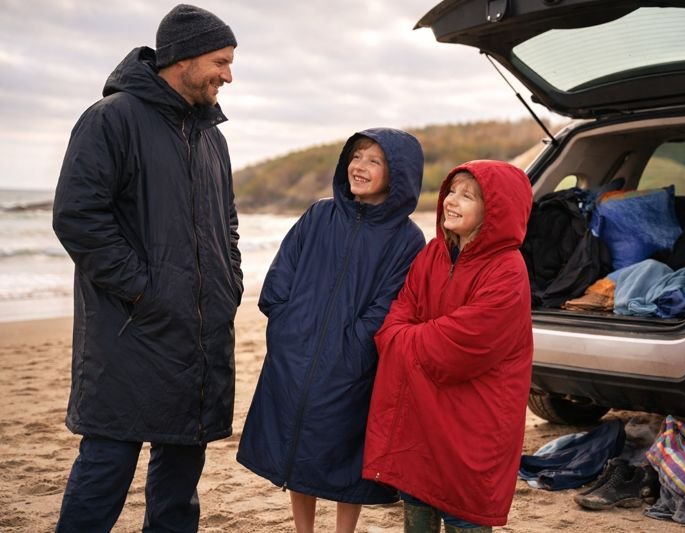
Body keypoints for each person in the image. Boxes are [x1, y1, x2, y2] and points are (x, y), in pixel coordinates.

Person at [51, 4, 241, 531]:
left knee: (181, 475)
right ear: (183, 57)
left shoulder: (212, 138)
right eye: (221, 61)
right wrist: (145, 290)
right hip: (129, 330)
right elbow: (78, 218)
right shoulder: (111, 119)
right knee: (107, 464)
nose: (228, 74)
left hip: (199, 332)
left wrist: (228, 284)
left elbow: (226, 224)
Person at [237, 128, 426, 533]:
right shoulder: (319, 214)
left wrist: (356, 345)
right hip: (294, 352)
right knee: (294, 445)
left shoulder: (407, 238)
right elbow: (280, 275)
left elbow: (392, 302)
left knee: (342, 454)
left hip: (353, 364)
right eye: (357, 156)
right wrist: (285, 323)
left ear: (399, 174)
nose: (360, 167)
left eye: (375, 161)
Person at [362, 160, 535, 532]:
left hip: (476, 417)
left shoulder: (507, 270)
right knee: (418, 501)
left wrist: (404, 342)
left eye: (467, 196)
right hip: (423, 413)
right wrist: (405, 338)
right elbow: (394, 319)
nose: (451, 202)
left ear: (495, 212)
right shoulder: (432, 255)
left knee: (465, 510)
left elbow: (459, 345)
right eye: (451, 191)